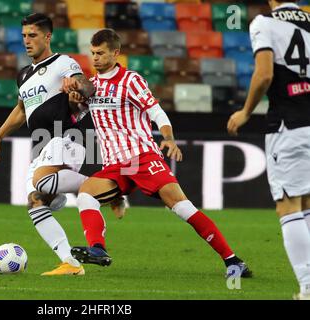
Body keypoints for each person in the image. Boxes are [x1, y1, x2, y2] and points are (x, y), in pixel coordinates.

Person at [66, 29, 252, 278]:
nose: (95, 58)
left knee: (183, 208)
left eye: (100, 53)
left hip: (142, 157)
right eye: (92, 53)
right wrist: (73, 99)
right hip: (116, 165)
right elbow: (76, 115)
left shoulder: (131, 80)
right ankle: (98, 250)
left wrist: (168, 139)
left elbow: (156, 112)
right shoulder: (93, 86)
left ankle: (233, 260)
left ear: (116, 53)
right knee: (86, 193)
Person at [0, 13, 97, 276]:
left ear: (47, 37)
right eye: (24, 35)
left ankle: (104, 186)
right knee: (36, 201)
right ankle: (71, 263)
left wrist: (76, 85)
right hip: (42, 147)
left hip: (65, 136)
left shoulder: (63, 63)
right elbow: (21, 111)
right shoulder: (23, 76)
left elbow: (87, 88)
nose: (27, 40)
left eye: (32, 35)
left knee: (42, 186)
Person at [227, 0, 310, 299]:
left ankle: (307, 286)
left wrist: (247, 111)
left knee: (287, 205)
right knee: (307, 204)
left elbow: (264, 75)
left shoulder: (264, 22)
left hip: (288, 125)